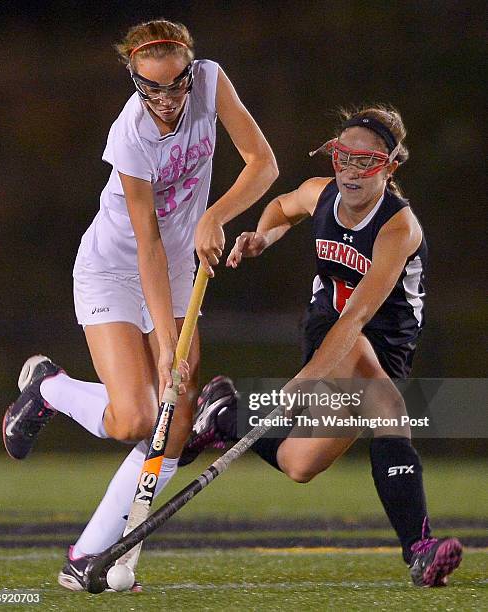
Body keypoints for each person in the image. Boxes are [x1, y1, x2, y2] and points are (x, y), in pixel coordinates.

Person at [2, 19, 278, 591]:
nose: (169, 99)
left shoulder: (211, 82)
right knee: (137, 416)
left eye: (177, 84)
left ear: (189, 70)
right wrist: (161, 353)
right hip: (115, 269)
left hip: (180, 267)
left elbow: (263, 164)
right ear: (135, 80)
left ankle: (85, 559)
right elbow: (147, 240)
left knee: (172, 424)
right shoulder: (129, 135)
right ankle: (49, 388)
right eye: (153, 88)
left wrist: (214, 215)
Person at [182, 105, 463, 587]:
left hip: (374, 338)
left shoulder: (398, 228)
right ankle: (420, 548)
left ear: (389, 167)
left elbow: (361, 315)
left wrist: (304, 384)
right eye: (343, 158)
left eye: (365, 162)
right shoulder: (320, 193)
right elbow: (283, 206)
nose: (350, 171)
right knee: (388, 409)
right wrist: (263, 237)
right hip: (329, 327)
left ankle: (226, 415)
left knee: (298, 463)